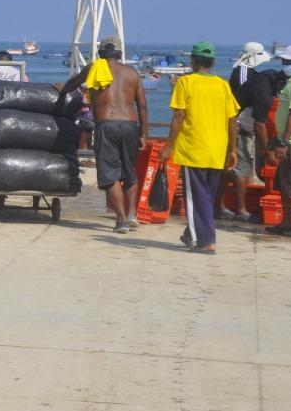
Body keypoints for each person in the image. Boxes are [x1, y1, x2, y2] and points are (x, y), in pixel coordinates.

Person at [61, 37, 148, 233]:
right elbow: (142, 105)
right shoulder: (132, 73)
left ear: (100, 54)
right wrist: (144, 134)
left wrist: (62, 90)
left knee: (110, 175)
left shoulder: (94, 68)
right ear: (119, 54)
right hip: (130, 125)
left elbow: (73, 83)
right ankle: (133, 214)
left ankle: (122, 219)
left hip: (106, 125)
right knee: (130, 172)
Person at [161, 42, 240, 254]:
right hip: (217, 149)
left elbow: (179, 116)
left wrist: (169, 146)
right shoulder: (222, 85)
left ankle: (207, 240)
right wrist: (233, 150)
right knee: (206, 196)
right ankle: (190, 233)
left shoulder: (185, 82)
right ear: (213, 62)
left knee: (197, 197)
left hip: (193, 148)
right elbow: (232, 120)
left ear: (193, 60)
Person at [220, 41, 276, 221]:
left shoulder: (248, 72)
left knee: (229, 169)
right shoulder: (243, 71)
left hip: (241, 125)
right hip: (240, 126)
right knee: (240, 169)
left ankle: (219, 205)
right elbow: (241, 100)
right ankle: (241, 210)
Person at [267, 45, 291, 236]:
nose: (285, 65)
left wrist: (284, 142)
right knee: (286, 183)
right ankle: (287, 222)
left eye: (289, 62)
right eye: (284, 61)